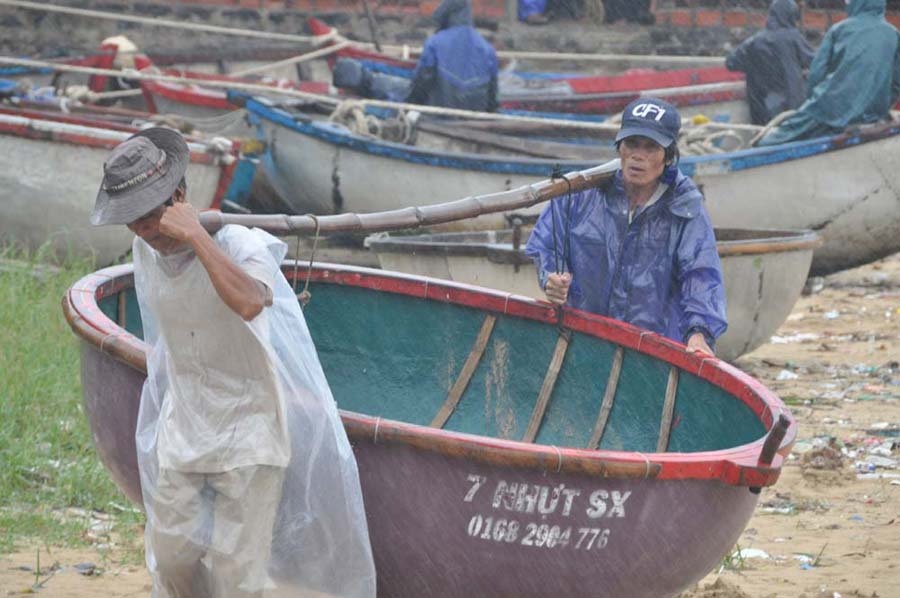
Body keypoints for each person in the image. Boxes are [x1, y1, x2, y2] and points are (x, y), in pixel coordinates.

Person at [91, 128, 376, 597]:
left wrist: (198, 238)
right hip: (185, 425)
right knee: (172, 558)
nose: (143, 231)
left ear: (178, 196)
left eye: (149, 216)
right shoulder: (145, 250)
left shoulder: (242, 243)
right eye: (132, 222)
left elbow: (250, 301)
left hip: (250, 430)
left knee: (236, 577)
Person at [525, 98, 727, 355]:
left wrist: (699, 334)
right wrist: (552, 277)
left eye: (651, 147)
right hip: (584, 343)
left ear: (668, 156)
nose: (638, 156)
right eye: (631, 143)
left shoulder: (685, 208)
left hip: (656, 352)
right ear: (619, 146)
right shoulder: (580, 194)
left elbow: (700, 276)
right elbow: (548, 245)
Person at [757, 0, 900, 146]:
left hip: (830, 106)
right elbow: (896, 83)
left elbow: (816, 74)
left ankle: (752, 152)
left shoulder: (839, 30)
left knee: (776, 137)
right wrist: (875, 108)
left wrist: (813, 104)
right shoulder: (894, 34)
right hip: (871, 116)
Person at [726, 0, 815, 126]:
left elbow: (731, 63)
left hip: (760, 110)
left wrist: (756, 65)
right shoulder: (793, 37)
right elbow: (814, 61)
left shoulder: (755, 41)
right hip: (790, 105)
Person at [406, 0, 499, 112]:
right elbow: (492, 95)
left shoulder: (434, 43)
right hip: (475, 119)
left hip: (438, 117)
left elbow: (421, 84)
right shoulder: (487, 48)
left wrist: (408, 107)